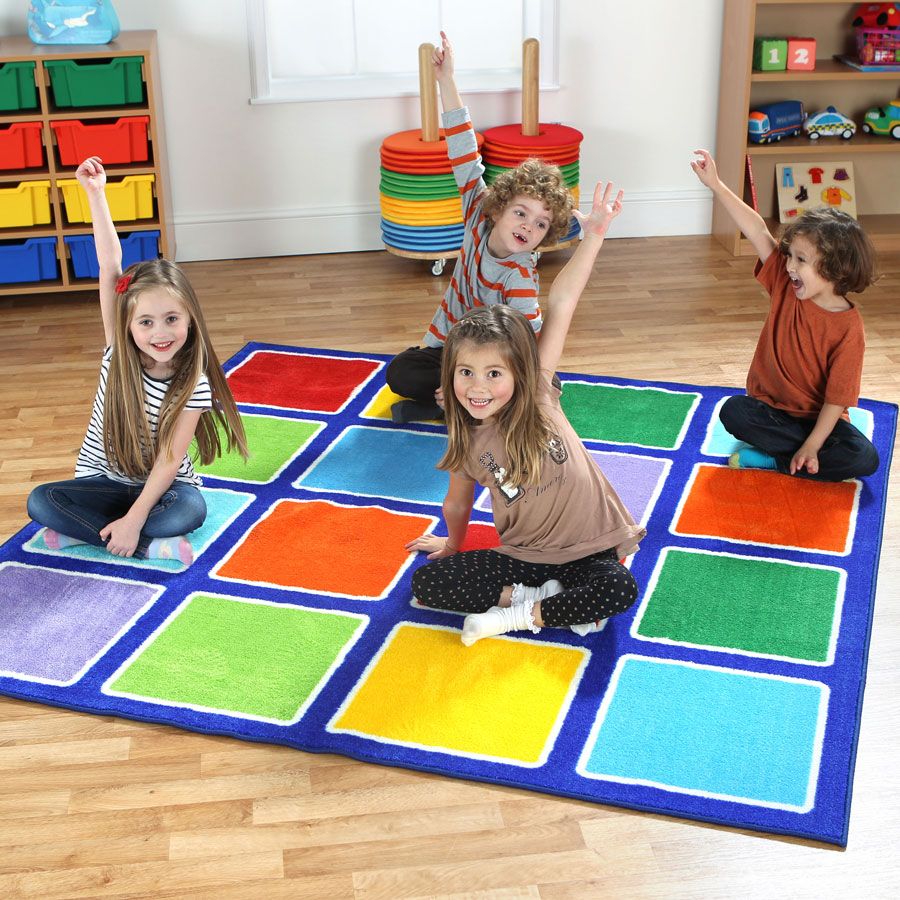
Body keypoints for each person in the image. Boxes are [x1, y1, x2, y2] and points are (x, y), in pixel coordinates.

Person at [405, 182, 645, 645]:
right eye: (466, 373)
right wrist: (453, 545)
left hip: (589, 548)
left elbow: (563, 301)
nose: (478, 387)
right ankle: (544, 598)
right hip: (525, 556)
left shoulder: (537, 391)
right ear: (448, 374)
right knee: (428, 583)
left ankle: (513, 614)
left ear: (518, 371)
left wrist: (594, 233)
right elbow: (457, 502)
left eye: (494, 374)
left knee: (619, 588)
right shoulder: (463, 437)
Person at [27, 157, 248, 564]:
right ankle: (146, 545)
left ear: (190, 319)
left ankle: (98, 531)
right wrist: (96, 194)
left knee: (191, 511)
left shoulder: (193, 383)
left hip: (163, 489)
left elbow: (168, 462)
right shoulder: (117, 352)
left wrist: (137, 513)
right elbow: (109, 267)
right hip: (103, 481)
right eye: (146, 322)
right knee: (42, 500)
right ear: (128, 324)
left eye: (171, 319)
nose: (160, 333)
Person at [386, 31, 574, 422]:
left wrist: (486, 382)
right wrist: (446, 81)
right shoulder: (477, 209)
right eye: (521, 213)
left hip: (495, 362)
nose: (527, 226)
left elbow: (526, 344)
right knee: (400, 372)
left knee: (520, 387)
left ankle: (466, 405)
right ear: (498, 208)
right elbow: (462, 148)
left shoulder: (520, 278)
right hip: (454, 348)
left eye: (540, 224)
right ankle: (457, 403)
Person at [691, 149, 879, 482]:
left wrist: (812, 444)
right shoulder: (785, 284)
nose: (789, 265)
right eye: (789, 256)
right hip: (770, 410)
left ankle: (776, 460)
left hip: (819, 420)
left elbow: (837, 400)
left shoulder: (850, 329)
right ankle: (800, 457)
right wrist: (716, 185)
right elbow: (758, 231)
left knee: (864, 458)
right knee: (733, 411)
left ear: (835, 268)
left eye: (801, 260)